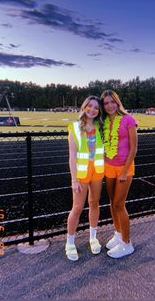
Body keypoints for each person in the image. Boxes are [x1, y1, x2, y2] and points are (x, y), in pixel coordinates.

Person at [65, 96, 104, 261]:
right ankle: (70, 242)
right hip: (81, 174)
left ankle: (93, 237)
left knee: (94, 203)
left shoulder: (101, 126)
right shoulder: (74, 127)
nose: (93, 110)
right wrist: (74, 180)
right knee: (77, 207)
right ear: (84, 107)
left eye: (96, 107)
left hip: (97, 171)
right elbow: (72, 156)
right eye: (90, 106)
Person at [100, 90, 138, 259]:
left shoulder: (128, 119)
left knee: (119, 205)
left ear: (117, 102)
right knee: (112, 203)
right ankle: (118, 233)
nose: (109, 105)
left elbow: (133, 148)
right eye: (106, 103)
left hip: (124, 168)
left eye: (112, 102)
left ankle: (127, 243)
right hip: (109, 166)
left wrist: (124, 171)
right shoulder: (104, 121)